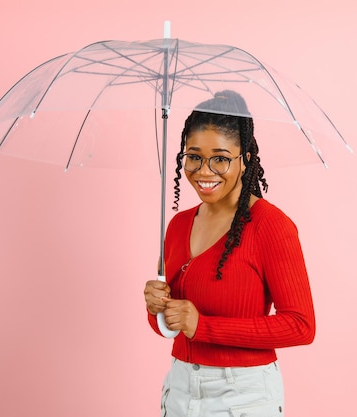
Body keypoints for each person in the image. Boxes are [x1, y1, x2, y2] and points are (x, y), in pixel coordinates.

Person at [143, 90, 315, 417]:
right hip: (180, 388)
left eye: (220, 158)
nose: (204, 171)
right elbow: (170, 327)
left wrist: (203, 326)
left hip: (243, 395)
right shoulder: (178, 224)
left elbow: (301, 326)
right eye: (193, 156)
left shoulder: (270, 226)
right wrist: (157, 308)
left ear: (245, 159)